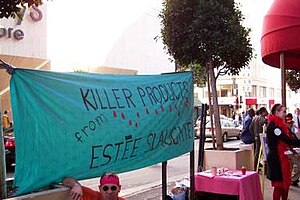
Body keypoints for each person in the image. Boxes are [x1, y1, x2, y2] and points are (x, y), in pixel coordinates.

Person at [266, 104, 300, 200]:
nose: (285, 114)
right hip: (276, 158)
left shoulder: (280, 124)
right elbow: (287, 140)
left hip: (281, 157)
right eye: (283, 112)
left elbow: (289, 139)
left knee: (285, 184)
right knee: (279, 185)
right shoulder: (274, 126)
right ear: (277, 112)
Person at [285, 113, 300, 186]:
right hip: (289, 152)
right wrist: (295, 152)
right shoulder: (286, 132)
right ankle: (293, 179)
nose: (291, 124)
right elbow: (288, 144)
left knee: (292, 166)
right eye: (289, 123)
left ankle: (293, 179)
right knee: (298, 164)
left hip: (292, 151)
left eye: (291, 123)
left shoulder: (291, 131)